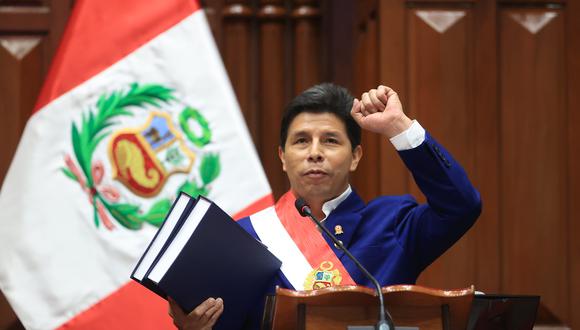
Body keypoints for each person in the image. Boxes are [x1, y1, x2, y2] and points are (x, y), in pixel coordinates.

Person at [168, 83, 482, 329]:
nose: (315, 153)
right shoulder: (244, 237)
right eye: (302, 140)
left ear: (356, 156)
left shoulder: (392, 221)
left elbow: (461, 206)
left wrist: (398, 126)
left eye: (330, 140)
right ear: (282, 156)